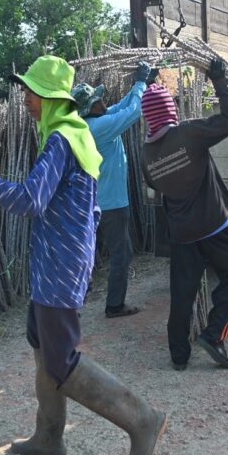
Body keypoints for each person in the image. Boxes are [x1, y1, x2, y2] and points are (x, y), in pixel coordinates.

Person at [0, 55, 166, 455]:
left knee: (59, 358)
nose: (25, 98)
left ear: (51, 98)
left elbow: (29, 200)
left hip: (60, 263)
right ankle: (49, 438)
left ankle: (142, 418)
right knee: (41, 345)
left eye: (32, 91)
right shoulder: (67, 134)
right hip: (54, 259)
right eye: (27, 90)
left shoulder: (62, 138)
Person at [140, 58, 228, 371]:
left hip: (181, 232)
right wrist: (219, 81)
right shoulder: (188, 134)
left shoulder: (147, 154)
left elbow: (154, 184)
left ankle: (178, 355)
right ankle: (213, 335)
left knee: (182, 292)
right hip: (214, 225)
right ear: (171, 111)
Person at [71, 61, 158, 318]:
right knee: (121, 255)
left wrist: (141, 83)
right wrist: (141, 84)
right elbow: (132, 113)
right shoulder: (98, 127)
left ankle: (70, 306)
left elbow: (122, 106)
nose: (103, 101)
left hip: (93, 202)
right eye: (98, 100)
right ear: (90, 107)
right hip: (111, 205)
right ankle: (115, 305)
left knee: (85, 256)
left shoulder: (91, 123)